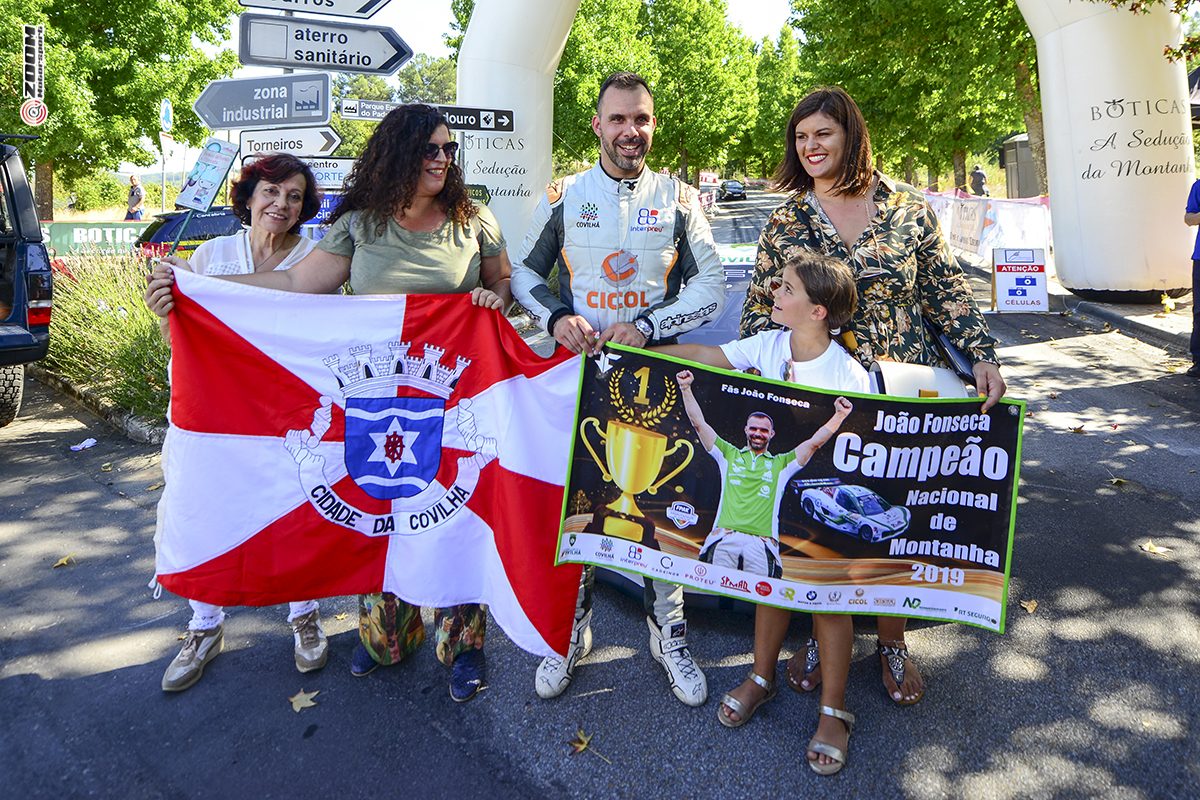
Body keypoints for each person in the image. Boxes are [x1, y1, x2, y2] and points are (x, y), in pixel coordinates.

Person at [146, 105, 513, 702]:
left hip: (452, 400)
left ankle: (464, 648)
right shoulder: (361, 223)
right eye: (429, 151)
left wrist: (492, 300)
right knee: (381, 515)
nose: (443, 159)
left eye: (448, 149)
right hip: (376, 404)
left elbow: (501, 280)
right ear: (397, 155)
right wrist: (197, 287)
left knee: (451, 517)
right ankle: (384, 642)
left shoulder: (472, 218)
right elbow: (295, 286)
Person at [740, 86, 1006, 723]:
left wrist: (982, 356)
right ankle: (816, 635)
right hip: (818, 397)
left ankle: (891, 642)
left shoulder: (909, 210)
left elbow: (948, 294)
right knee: (821, 518)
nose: (810, 148)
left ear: (850, 135)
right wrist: (758, 377)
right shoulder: (787, 220)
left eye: (822, 135)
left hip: (903, 390)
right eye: (801, 138)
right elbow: (760, 306)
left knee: (895, 516)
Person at [511, 72, 725, 707]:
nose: (632, 131)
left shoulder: (680, 199)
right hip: (581, 374)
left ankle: (670, 630)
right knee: (580, 504)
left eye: (643, 120)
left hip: (659, 375)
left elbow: (710, 286)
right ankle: (570, 632)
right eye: (620, 120)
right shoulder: (566, 193)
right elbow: (524, 271)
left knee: (664, 506)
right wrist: (556, 317)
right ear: (598, 126)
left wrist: (653, 325)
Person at [657, 253, 867, 774]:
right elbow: (709, 354)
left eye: (787, 288)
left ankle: (834, 710)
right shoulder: (768, 344)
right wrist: (644, 348)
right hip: (773, 510)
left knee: (827, 600)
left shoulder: (850, 374)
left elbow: (858, 451)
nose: (775, 291)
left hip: (817, 504)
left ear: (818, 311)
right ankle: (761, 676)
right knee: (769, 588)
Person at [144, 152, 327, 691]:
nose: (282, 205)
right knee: (208, 511)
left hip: (286, 413)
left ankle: (305, 616)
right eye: (271, 192)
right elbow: (180, 340)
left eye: (294, 196)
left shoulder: (315, 257)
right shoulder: (209, 255)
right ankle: (204, 626)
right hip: (218, 419)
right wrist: (166, 310)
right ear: (248, 197)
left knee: (296, 509)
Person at [1182, 179, 1200, 377]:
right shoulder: (1199, 186)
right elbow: (1188, 218)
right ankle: (1198, 361)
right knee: (1199, 312)